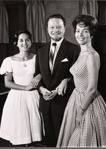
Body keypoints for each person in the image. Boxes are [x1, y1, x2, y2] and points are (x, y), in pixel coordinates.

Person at [56, 14, 106, 147]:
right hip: (76, 98)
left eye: (85, 31)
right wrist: (66, 79)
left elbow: (92, 88)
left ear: (91, 34)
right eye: (77, 31)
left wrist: (81, 112)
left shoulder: (92, 55)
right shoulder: (81, 52)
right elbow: (80, 72)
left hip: (88, 103)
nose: (80, 35)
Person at [35, 14, 80, 147]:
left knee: (64, 139)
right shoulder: (40, 50)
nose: (55, 30)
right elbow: (37, 75)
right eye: (52, 27)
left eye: (59, 27)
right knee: (49, 139)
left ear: (64, 28)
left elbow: (78, 76)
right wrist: (41, 89)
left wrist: (64, 83)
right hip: (45, 102)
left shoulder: (74, 49)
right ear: (47, 29)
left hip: (63, 101)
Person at [0, 30, 43, 146]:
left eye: (27, 40)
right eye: (21, 40)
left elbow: (44, 73)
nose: (24, 43)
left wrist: (39, 76)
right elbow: (7, 83)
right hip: (17, 96)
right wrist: (25, 88)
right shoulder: (9, 60)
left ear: (31, 42)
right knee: (20, 124)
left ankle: (32, 145)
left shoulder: (37, 58)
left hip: (34, 95)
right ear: (17, 43)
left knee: (34, 124)